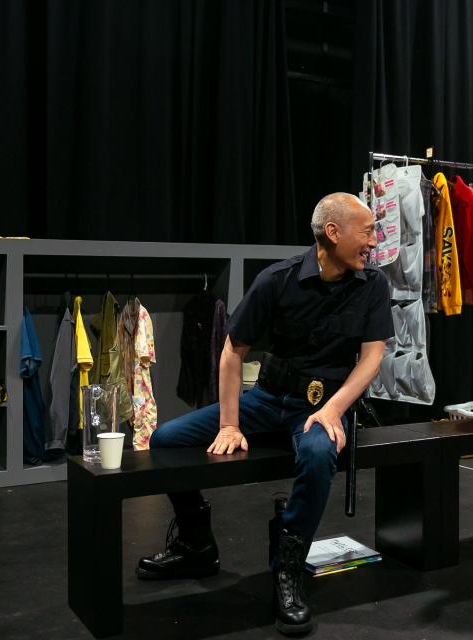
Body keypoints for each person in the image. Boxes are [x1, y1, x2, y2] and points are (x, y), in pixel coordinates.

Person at [136, 193, 392, 634]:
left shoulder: (373, 285)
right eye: (367, 230)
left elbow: (371, 358)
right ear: (333, 233)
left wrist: (334, 409)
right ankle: (197, 543)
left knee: (316, 455)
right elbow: (233, 351)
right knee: (164, 441)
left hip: (323, 405)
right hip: (270, 398)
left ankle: (288, 570)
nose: (374, 240)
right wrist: (230, 423)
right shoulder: (278, 279)